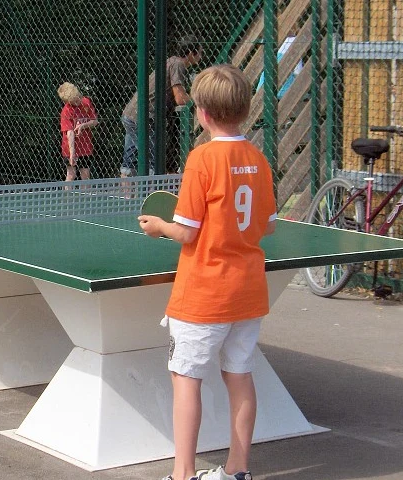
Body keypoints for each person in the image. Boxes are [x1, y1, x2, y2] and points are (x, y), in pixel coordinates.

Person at [138, 64, 277, 480]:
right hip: (247, 293)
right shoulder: (257, 158)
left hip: (203, 294)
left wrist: (159, 226)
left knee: (186, 381)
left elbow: (186, 231)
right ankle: (238, 471)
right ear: (245, 110)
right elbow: (268, 224)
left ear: (202, 113)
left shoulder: (201, 159)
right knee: (240, 377)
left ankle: (182, 474)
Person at [121, 35, 202, 177]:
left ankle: (126, 197)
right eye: (200, 52)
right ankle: (151, 193)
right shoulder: (178, 65)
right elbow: (180, 97)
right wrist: (198, 100)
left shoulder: (170, 61)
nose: (201, 55)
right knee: (153, 160)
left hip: (131, 114)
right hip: (144, 118)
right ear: (190, 53)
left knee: (130, 162)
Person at [57, 82, 98, 181]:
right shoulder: (66, 111)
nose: (77, 102)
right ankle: (66, 196)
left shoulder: (86, 102)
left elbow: (95, 121)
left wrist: (83, 125)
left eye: (77, 98)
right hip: (70, 147)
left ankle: (86, 196)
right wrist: (72, 153)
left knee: (85, 174)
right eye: (73, 101)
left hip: (85, 146)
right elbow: (70, 132)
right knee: (71, 174)